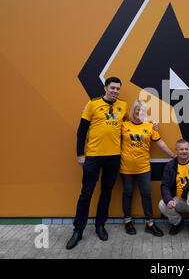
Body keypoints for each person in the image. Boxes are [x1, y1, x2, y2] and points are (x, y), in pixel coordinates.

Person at [66, 77, 128, 250]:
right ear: (105, 88)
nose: (115, 91)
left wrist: (151, 125)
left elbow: (132, 124)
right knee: (86, 193)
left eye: (118, 89)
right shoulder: (92, 105)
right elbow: (81, 131)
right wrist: (80, 154)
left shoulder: (123, 106)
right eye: (113, 88)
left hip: (114, 157)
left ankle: (100, 225)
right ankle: (78, 230)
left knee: (106, 192)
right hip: (93, 157)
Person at [120, 100, 175, 237]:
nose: (139, 112)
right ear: (133, 110)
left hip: (143, 167)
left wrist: (173, 155)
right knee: (127, 193)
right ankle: (128, 221)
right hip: (126, 168)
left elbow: (160, 142)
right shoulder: (124, 125)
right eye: (137, 110)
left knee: (146, 194)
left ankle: (150, 224)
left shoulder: (150, 126)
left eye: (142, 110)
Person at [158, 139, 189, 236]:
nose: (184, 151)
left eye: (186, 149)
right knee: (162, 204)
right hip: (178, 200)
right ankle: (177, 222)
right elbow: (165, 185)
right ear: (176, 151)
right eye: (181, 149)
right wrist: (168, 200)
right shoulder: (170, 166)